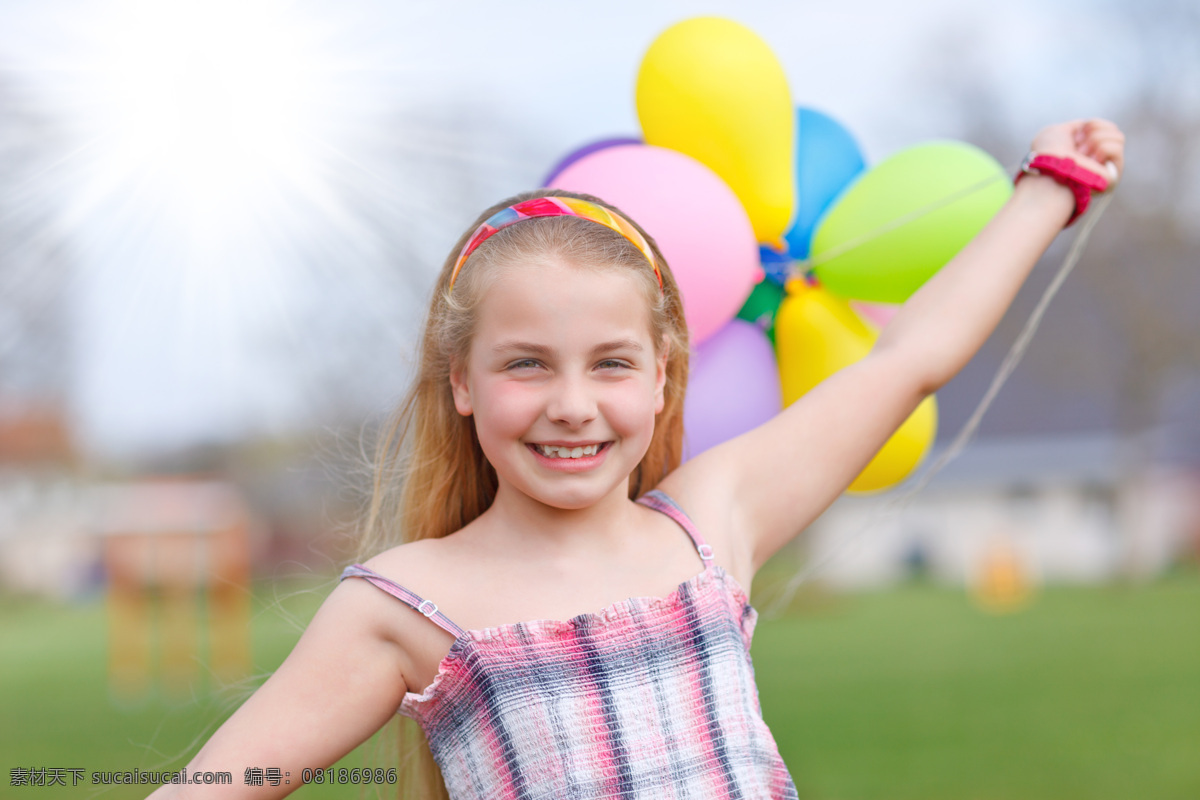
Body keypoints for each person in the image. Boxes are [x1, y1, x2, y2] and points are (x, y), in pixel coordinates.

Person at [148, 119, 1125, 800]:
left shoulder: (714, 519)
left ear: (663, 378)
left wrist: (1047, 190)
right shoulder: (405, 602)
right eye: (526, 364)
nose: (572, 404)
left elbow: (912, 355)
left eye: (611, 363)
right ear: (462, 382)